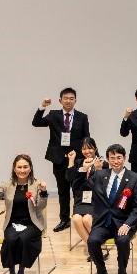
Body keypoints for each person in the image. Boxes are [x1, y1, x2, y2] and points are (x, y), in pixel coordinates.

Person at [83, 144, 137, 274]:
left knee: (123, 241)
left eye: (119, 158)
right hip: (103, 222)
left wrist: (128, 224)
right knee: (92, 241)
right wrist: (87, 169)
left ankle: (122, 272)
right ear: (108, 159)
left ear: (125, 158)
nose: (116, 161)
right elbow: (86, 183)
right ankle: (101, 272)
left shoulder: (135, 178)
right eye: (112, 158)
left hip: (123, 222)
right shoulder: (100, 175)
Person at [0, 154, 48, 274]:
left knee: (24, 239)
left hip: (31, 223)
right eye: (19, 167)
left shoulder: (36, 185)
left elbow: (41, 207)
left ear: (30, 168)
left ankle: (21, 273)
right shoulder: (7, 185)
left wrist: (43, 192)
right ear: (14, 168)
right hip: (12, 223)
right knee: (11, 240)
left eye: (25, 167)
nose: (22, 170)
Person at [31, 87, 90, 232]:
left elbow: (87, 138)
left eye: (71, 98)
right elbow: (36, 122)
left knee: (78, 190)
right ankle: (64, 220)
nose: (68, 101)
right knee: (62, 191)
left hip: (77, 160)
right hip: (59, 159)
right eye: (65, 98)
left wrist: (90, 156)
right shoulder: (53, 115)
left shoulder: (82, 117)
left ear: (75, 100)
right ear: (60, 100)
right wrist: (42, 106)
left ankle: (79, 217)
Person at [65, 137, 108, 258]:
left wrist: (98, 170)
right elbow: (70, 179)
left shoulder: (103, 163)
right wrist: (79, 166)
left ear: (95, 149)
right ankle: (94, 249)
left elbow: (103, 187)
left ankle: (95, 249)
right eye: (84, 149)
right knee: (76, 219)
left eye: (90, 148)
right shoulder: (79, 162)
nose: (87, 151)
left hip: (96, 200)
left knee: (87, 220)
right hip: (81, 200)